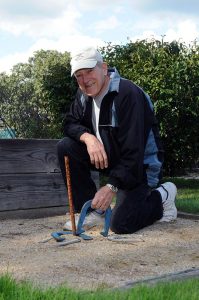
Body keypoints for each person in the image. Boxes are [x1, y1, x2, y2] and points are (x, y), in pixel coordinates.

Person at [57, 46, 177, 234]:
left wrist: (111, 186)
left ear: (104, 68)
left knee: (121, 224)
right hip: (113, 159)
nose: (84, 80)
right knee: (66, 146)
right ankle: (92, 211)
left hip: (140, 167)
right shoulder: (83, 95)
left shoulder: (128, 94)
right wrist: (88, 138)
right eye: (78, 75)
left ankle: (163, 195)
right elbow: (69, 124)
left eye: (89, 71)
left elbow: (134, 152)